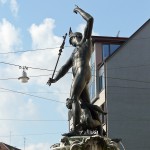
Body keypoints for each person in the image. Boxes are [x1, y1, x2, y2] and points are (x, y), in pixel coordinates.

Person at [47, 6, 94, 136]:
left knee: (74, 98)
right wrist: (54, 79)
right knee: (87, 103)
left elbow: (90, 19)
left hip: (82, 71)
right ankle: (101, 129)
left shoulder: (86, 41)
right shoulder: (74, 53)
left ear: (76, 36)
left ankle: (76, 129)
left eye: (71, 40)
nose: (72, 44)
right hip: (81, 74)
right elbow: (64, 68)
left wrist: (78, 10)